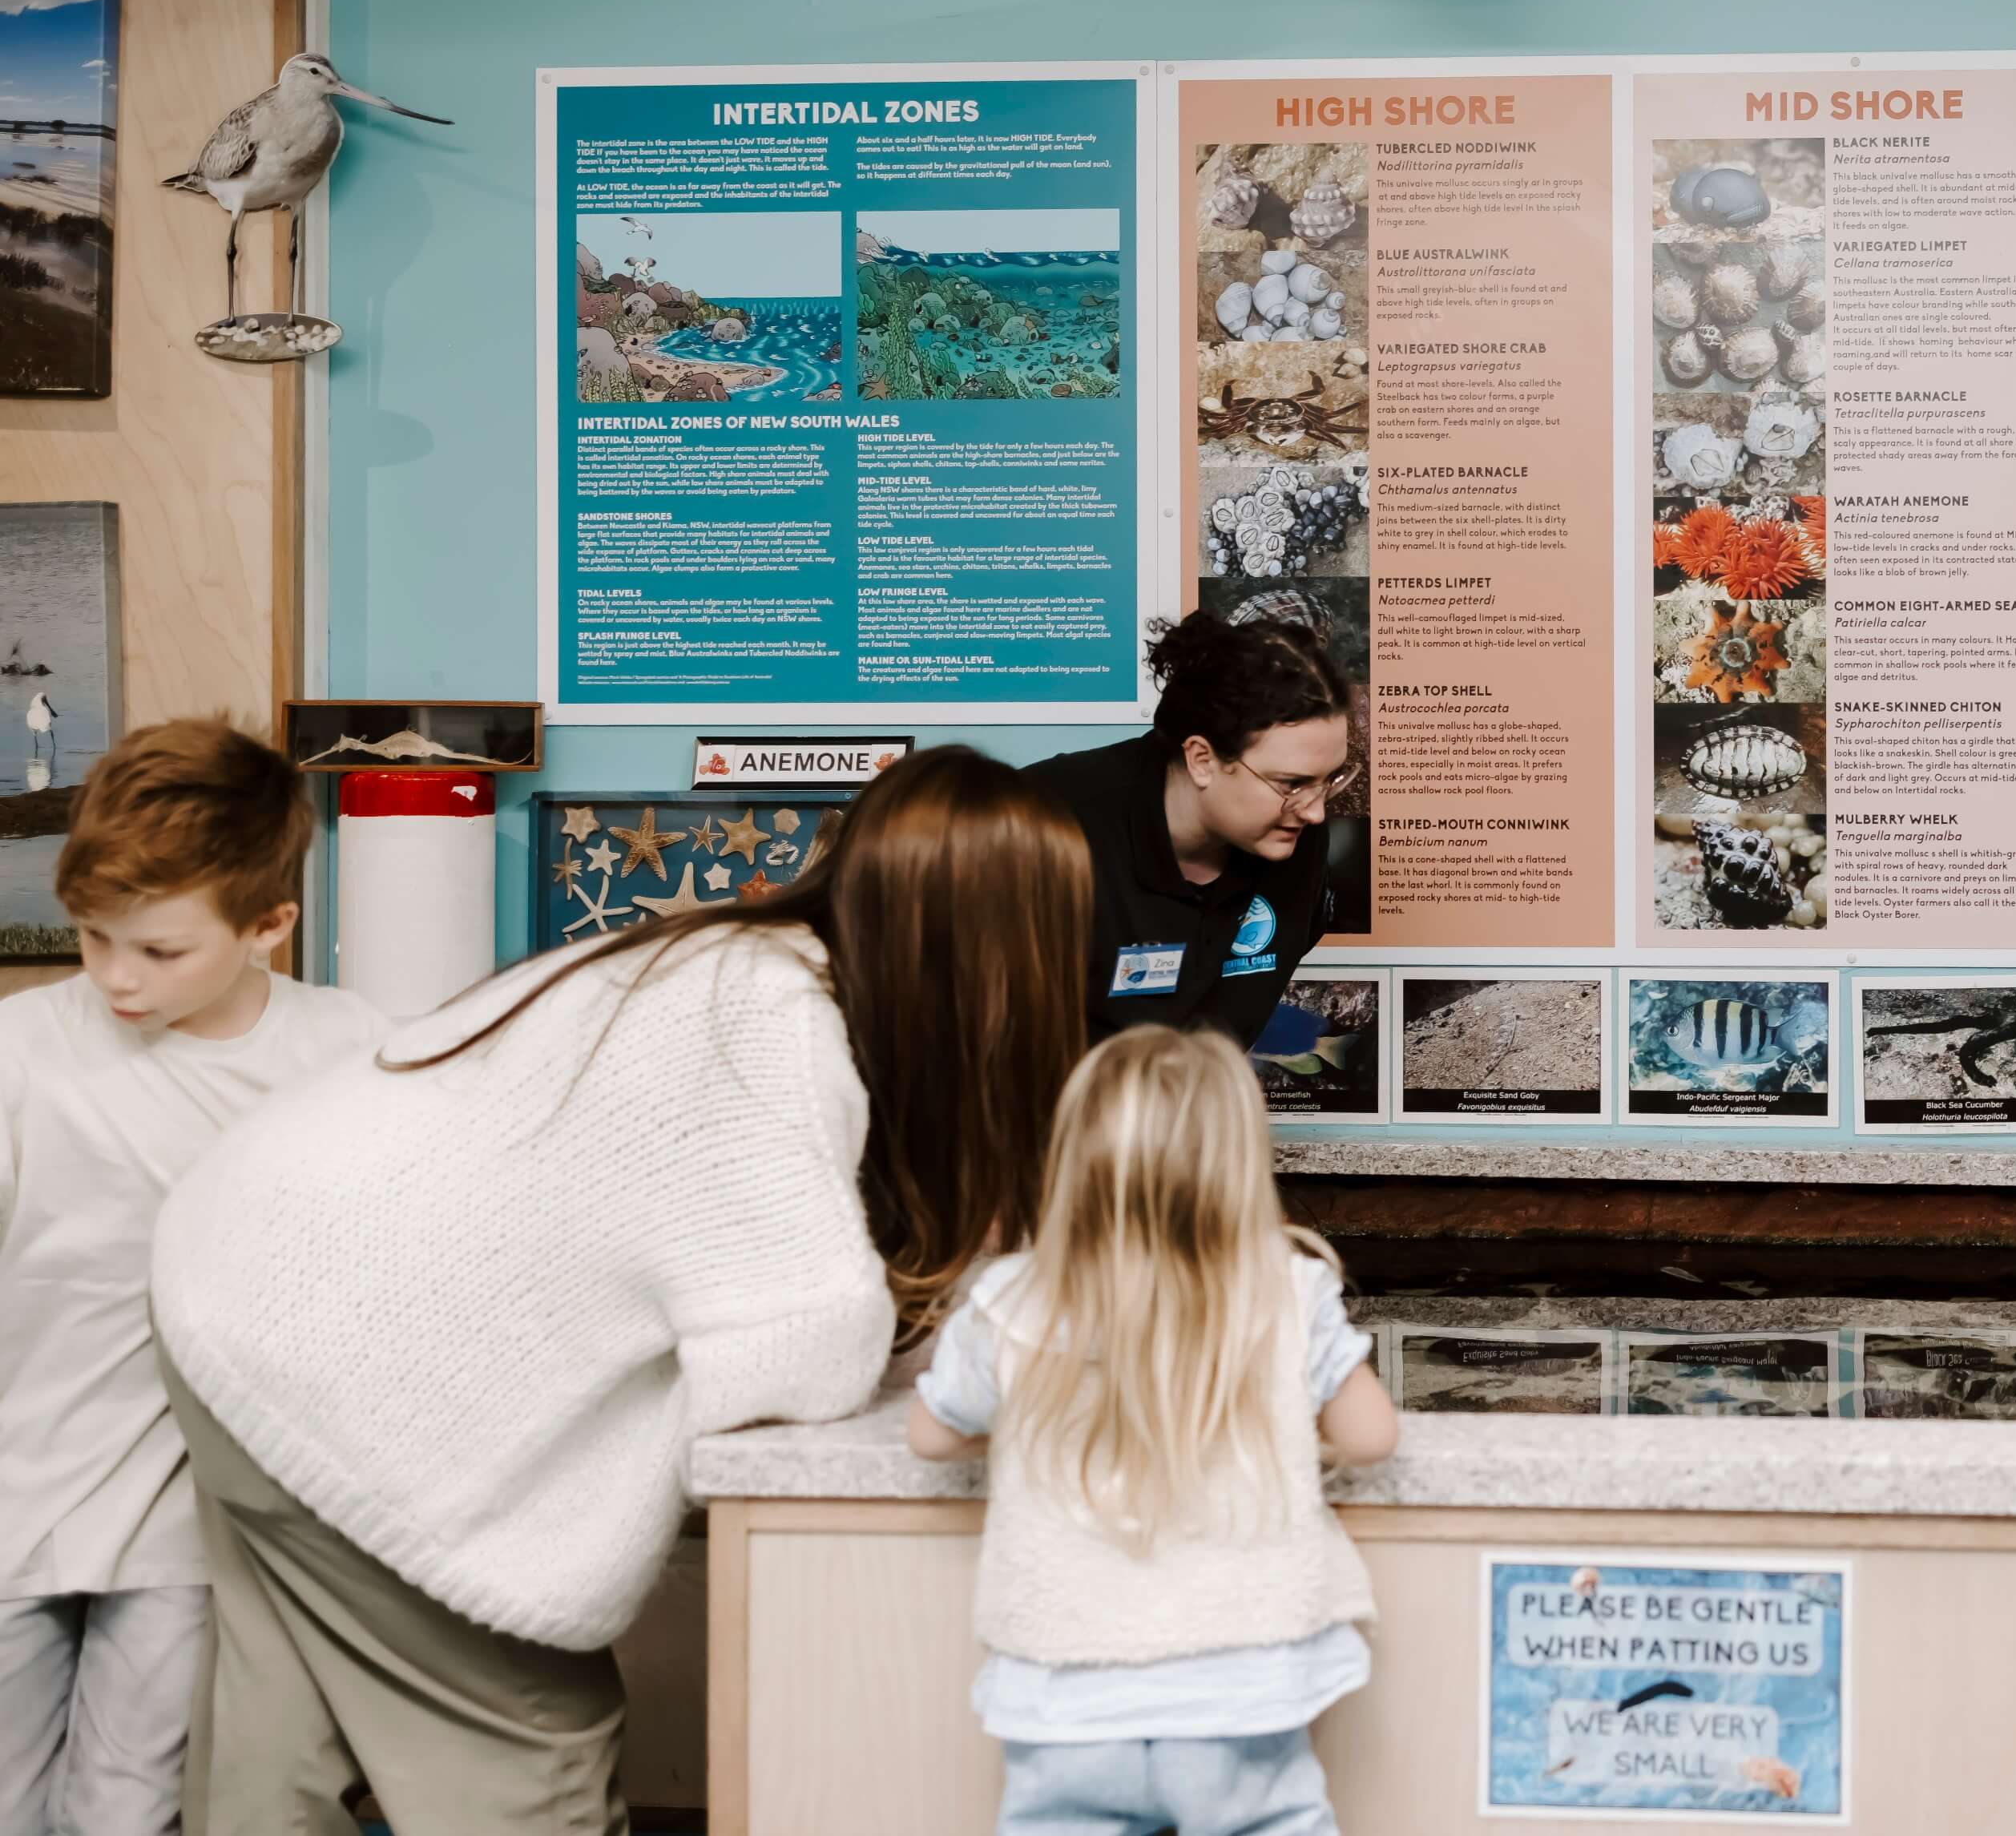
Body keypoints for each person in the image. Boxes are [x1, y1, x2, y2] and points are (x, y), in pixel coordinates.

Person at [147, 744, 1094, 1834]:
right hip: (322, 1348)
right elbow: (798, 1355)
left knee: (283, 1739)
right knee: (535, 1738)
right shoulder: (769, 1014)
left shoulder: (725, 960)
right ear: (1000, 950)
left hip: (233, 1282)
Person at [0, 720, 388, 1836]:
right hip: (22, 1477)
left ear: (270, 924)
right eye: (91, 939)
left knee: (123, 1813)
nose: (117, 978)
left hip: (198, 1517)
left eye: (160, 952)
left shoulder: (351, 1054)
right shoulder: (25, 1052)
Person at [907, 1025, 1396, 1836]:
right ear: (1237, 1166)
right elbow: (1372, 1433)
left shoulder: (1012, 1298)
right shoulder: (1285, 1287)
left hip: (1067, 1701)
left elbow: (931, 1432)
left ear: (1073, 1160)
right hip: (1242, 1692)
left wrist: (1020, 1419)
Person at [1028, 611, 1359, 1047]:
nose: (1316, 812)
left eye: (1329, 779)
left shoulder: (1294, 833)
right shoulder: (1039, 823)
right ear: (1202, 759)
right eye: (1292, 783)